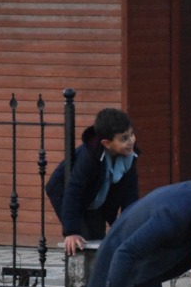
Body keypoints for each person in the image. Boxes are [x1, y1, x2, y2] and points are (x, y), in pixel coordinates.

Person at [46, 108, 139, 256]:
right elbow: (73, 191)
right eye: (124, 138)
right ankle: (80, 275)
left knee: (98, 242)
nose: (131, 141)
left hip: (96, 202)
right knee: (81, 243)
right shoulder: (89, 157)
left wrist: (130, 227)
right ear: (107, 143)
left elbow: (130, 195)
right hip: (67, 195)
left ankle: (98, 275)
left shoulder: (128, 158)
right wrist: (71, 231)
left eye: (132, 134)